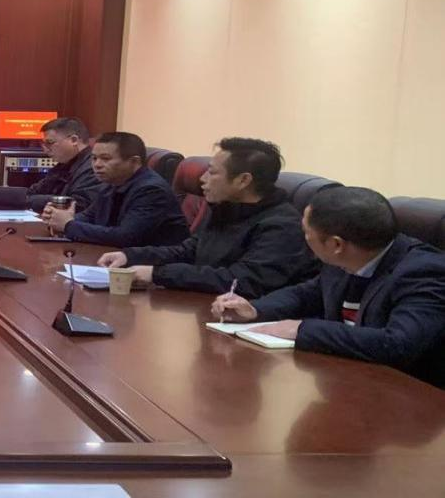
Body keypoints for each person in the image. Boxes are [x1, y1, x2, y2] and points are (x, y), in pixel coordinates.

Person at [212, 186, 445, 388]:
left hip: (406, 398)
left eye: (306, 232)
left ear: (336, 244)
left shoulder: (424, 272)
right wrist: (255, 310)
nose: (303, 238)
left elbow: (398, 345)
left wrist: (301, 329)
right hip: (348, 379)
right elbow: (307, 293)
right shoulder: (347, 257)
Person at [98, 138, 318, 297]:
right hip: (204, 306)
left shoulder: (281, 225)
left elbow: (242, 280)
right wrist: (130, 256)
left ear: (243, 180)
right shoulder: (226, 208)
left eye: (212, 172)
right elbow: (187, 250)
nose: (202, 179)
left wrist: (158, 274)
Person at [41, 131, 189, 247]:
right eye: (94, 158)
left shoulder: (151, 190)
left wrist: (68, 225)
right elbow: (89, 217)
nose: (97, 165)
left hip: (151, 267)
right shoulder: (111, 183)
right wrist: (59, 219)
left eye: (105, 158)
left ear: (134, 162)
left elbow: (125, 237)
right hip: (114, 257)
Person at [0, 117, 100, 212]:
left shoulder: (92, 167)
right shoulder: (63, 165)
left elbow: (77, 204)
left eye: (50, 143)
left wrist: (27, 201)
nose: (45, 149)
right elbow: (33, 191)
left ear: (74, 140)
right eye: (43, 144)